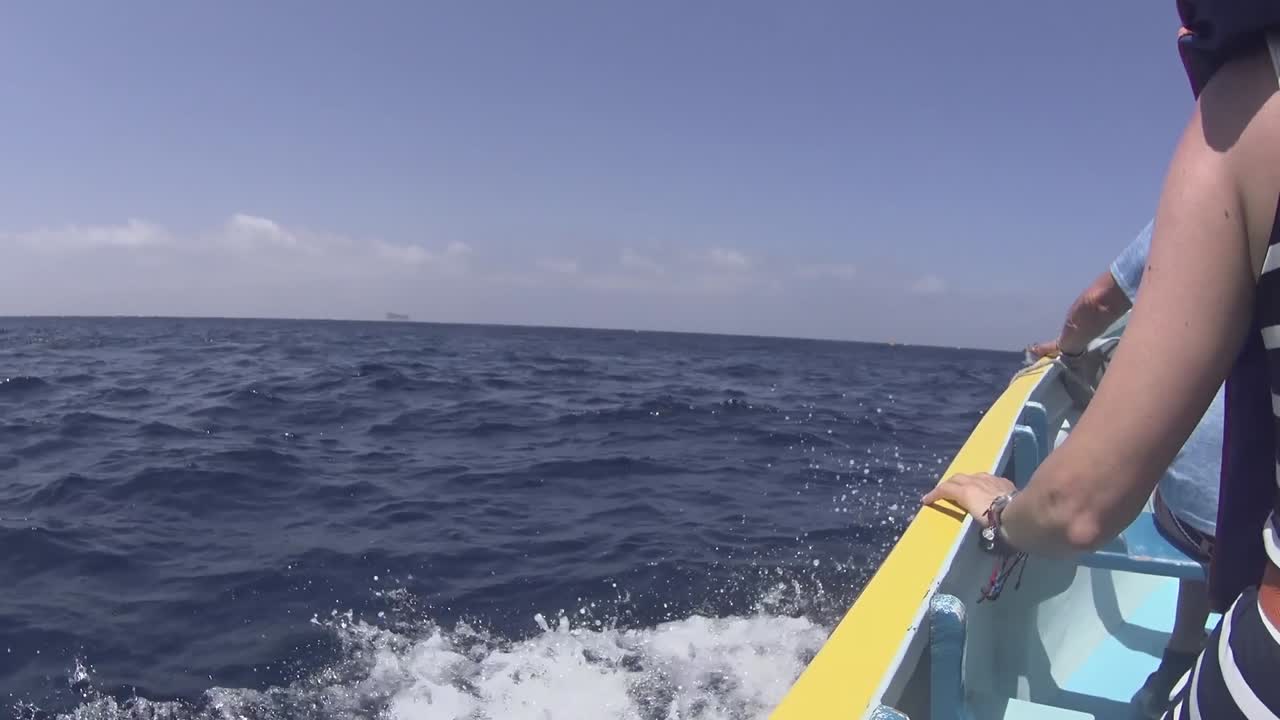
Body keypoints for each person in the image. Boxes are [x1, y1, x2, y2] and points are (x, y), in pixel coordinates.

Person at [923, 8, 1280, 718]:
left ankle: (1184, 646)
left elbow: (1078, 509)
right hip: (1235, 530)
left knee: (1171, 495)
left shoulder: (1244, 111)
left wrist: (1003, 509)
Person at [1026, 219, 1224, 718]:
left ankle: (1182, 652)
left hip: (1199, 528)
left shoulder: (1217, 193)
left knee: (1198, 487)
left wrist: (1069, 349)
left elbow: (1099, 303)